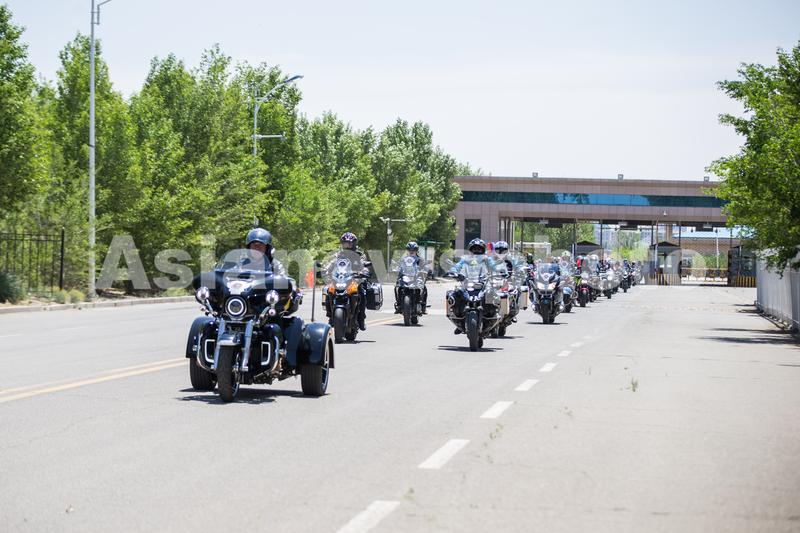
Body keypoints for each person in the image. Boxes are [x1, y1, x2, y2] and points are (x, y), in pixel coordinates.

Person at [327, 232, 371, 330]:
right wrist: (326, 270)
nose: (347, 246)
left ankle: (361, 319)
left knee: (362, 293)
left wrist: (364, 272)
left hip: (355, 279)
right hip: (341, 278)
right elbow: (331, 264)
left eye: (349, 243)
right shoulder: (338, 255)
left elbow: (364, 264)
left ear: (354, 244)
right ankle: (330, 316)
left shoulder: (359, 255)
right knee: (329, 291)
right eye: (345, 243)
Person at [395, 241, 428, 314]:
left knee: (424, 288)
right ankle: (399, 305)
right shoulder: (403, 259)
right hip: (405, 277)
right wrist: (395, 269)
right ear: (407, 250)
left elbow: (425, 267)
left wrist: (426, 270)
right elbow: (398, 266)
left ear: (417, 250)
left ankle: (423, 307)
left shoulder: (420, 259)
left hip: (416, 277)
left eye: (414, 249)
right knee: (398, 287)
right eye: (410, 249)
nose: (411, 251)